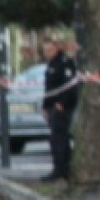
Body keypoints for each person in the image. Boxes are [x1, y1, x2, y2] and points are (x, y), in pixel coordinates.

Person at [40, 38, 80, 183]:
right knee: (56, 138)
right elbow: (49, 88)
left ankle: (61, 170)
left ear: (57, 48)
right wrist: (45, 106)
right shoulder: (51, 64)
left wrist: (62, 104)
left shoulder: (64, 63)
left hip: (62, 107)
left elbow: (71, 86)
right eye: (44, 51)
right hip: (52, 106)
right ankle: (59, 168)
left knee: (60, 138)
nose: (46, 53)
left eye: (49, 50)